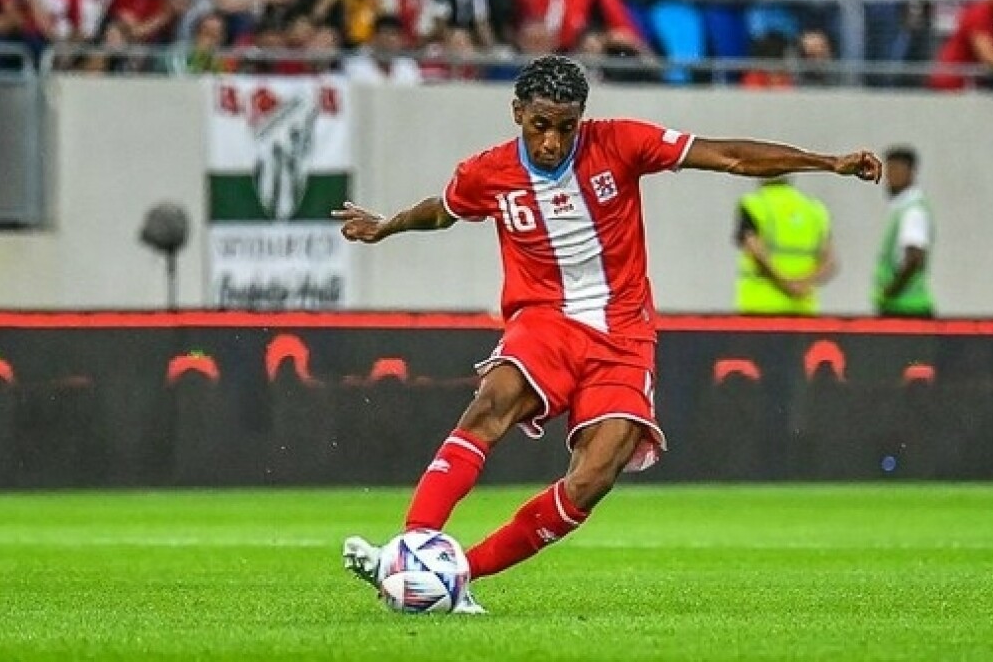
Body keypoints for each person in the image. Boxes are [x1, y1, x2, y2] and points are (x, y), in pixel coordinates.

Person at [333, 55, 882, 613]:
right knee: (494, 400)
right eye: (540, 125)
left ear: (582, 118)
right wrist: (387, 225)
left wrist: (827, 163)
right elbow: (442, 210)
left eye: (566, 127)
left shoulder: (620, 143)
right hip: (544, 318)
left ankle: (454, 576)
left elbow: (728, 155)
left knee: (595, 475)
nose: (552, 141)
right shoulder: (487, 172)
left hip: (624, 333)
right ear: (517, 113)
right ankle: (410, 546)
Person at [733, 176, 835, 316]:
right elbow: (829, 260)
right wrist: (804, 284)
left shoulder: (754, 204)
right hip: (802, 307)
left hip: (760, 306)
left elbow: (754, 249)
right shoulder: (814, 208)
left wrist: (785, 282)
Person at [873, 145, 935, 318]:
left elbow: (914, 257)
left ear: (910, 172)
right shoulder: (901, 208)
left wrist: (890, 291)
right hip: (902, 306)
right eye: (888, 170)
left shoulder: (913, 211)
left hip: (907, 308)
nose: (890, 176)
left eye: (895, 169)